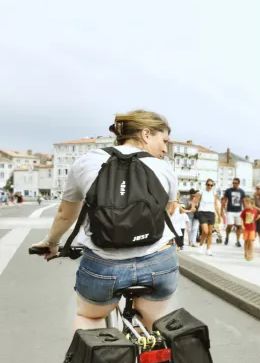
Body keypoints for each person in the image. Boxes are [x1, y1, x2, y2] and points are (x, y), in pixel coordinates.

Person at [29, 110, 179, 331]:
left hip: (104, 265)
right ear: (146, 134)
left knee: (90, 318)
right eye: (164, 140)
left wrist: (51, 242)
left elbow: (65, 214)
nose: (165, 149)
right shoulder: (165, 168)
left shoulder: (86, 162)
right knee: (152, 326)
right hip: (157, 263)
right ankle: (150, 359)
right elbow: (168, 211)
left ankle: (99, 360)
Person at [194, 178, 223, 256]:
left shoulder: (214, 193)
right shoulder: (201, 192)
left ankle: (208, 249)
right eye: (208, 184)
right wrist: (193, 207)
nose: (209, 186)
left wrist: (219, 215)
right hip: (202, 213)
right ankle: (201, 246)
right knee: (205, 231)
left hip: (211, 214)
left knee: (209, 232)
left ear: (213, 186)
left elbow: (216, 205)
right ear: (206, 185)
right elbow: (195, 200)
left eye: (211, 185)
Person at [221, 178, 246, 248]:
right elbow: (224, 201)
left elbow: (244, 202)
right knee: (230, 225)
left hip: (239, 211)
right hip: (230, 211)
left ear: (238, 184)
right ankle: (227, 237)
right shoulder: (228, 191)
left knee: (239, 226)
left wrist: (246, 212)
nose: (234, 184)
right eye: (233, 183)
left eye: (236, 183)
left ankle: (237, 241)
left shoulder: (242, 192)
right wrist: (221, 211)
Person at [240, 197, 260, 261]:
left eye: (247, 204)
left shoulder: (255, 211)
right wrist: (242, 225)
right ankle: (245, 252)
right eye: (245, 204)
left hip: (252, 228)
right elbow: (242, 218)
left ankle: (251, 254)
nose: (246, 205)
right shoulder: (244, 211)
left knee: (251, 241)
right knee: (246, 241)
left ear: (251, 204)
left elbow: (256, 218)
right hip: (246, 228)